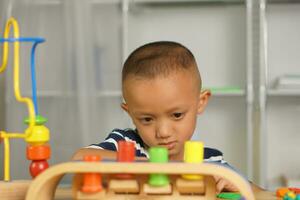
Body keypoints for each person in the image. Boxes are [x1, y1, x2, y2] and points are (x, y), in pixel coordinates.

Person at [73, 41, 259, 193]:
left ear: (200, 102)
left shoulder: (210, 163)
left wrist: (241, 187)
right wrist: (155, 166)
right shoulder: (127, 145)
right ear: (129, 112)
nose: (163, 132)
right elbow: (80, 158)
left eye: (176, 115)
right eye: (147, 119)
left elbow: (264, 194)